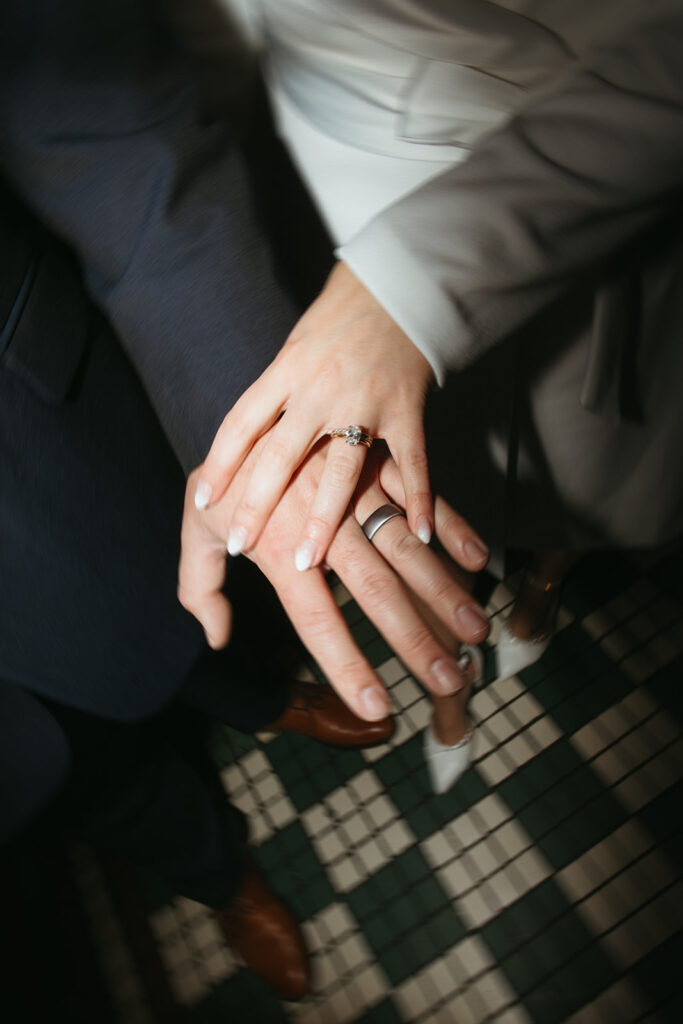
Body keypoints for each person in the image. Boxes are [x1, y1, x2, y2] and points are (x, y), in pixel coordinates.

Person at [1, 0, 493, 997]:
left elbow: (80, 93)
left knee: (171, 593)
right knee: (86, 777)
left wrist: (251, 402)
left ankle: (273, 701)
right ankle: (223, 878)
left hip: (34, 433)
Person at [182, 0, 683, 789]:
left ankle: (543, 588)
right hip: (355, 181)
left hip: (622, 166)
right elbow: (176, 71)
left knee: (593, 449)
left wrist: (403, 288)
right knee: (413, 516)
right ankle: (448, 683)